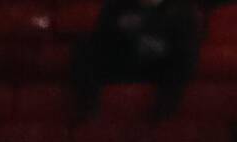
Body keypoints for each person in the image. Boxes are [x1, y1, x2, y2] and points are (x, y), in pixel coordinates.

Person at [71, 0, 200, 117]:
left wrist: (158, 47)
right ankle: (87, 107)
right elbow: (102, 37)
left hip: (159, 69)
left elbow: (184, 50)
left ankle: (166, 110)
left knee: (184, 56)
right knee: (83, 47)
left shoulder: (181, 11)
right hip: (122, 62)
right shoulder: (116, 5)